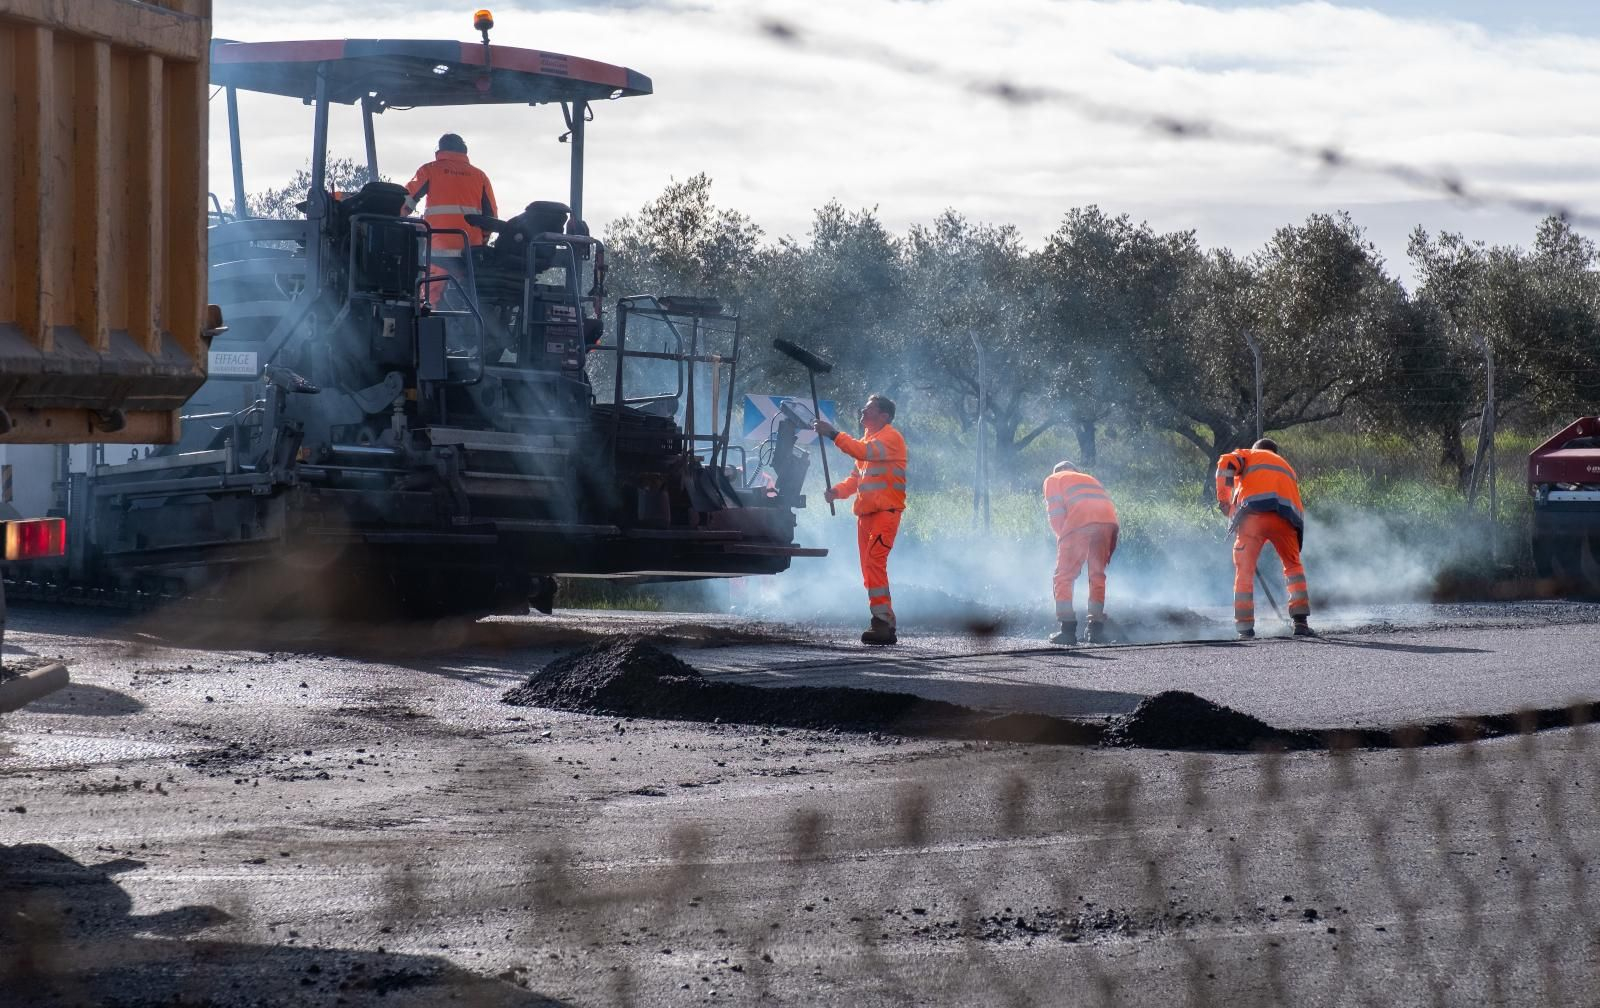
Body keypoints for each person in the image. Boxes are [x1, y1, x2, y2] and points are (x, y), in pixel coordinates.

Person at [813, 395, 908, 645]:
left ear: (884, 416)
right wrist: (837, 492)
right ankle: (882, 621)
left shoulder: (891, 438)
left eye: (869, 409)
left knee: (875, 562)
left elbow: (861, 451)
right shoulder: (869, 440)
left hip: (885, 513)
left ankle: (882, 622)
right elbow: (856, 479)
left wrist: (832, 434)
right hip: (866, 515)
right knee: (868, 568)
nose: (863, 411)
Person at [1215, 437, 1315, 639]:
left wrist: (1224, 500)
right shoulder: (1287, 467)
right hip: (1286, 519)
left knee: (1245, 571)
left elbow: (1226, 463)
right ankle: (1301, 623)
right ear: (1275, 453)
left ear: (1256, 449)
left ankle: (1245, 628)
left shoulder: (1249, 455)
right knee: (1293, 567)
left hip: (1253, 518)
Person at [1042, 460, 1119, 645]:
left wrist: (1063, 541)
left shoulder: (1053, 479)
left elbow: (1056, 515)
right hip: (1107, 522)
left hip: (1081, 522)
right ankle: (1096, 630)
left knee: (1064, 576)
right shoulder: (1088, 478)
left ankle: (1067, 630)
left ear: (1056, 471)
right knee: (1097, 575)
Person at [404, 134, 498, 261]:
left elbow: (404, 201)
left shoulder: (429, 170)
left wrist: (396, 222)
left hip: (437, 256)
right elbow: (491, 217)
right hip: (470, 256)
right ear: (464, 150)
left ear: (440, 150)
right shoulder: (481, 176)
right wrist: (483, 239)